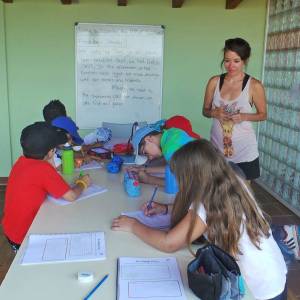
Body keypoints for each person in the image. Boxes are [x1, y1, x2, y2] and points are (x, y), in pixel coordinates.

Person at [112, 139, 287, 300]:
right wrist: (166, 208)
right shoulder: (232, 181)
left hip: (257, 291)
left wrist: (134, 225)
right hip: (274, 275)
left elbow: (169, 244)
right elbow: (205, 214)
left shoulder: (206, 202)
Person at [1, 122, 91, 251]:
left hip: (11, 229)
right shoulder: (43, 169)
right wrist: (83, 183)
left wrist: (49, 161)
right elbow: (71, 196)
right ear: (50, 152)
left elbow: (50, 180)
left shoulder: (21, 162)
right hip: (24, 237)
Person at [202, 38, 267, 181]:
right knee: (216, 189)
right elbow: (205, 111)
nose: (230, 66)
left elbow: (263, 115)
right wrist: (214, 112)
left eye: (236, 61)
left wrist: (244, 116)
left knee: (244, 194)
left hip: (245, 151)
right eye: (227, 60)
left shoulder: (254, 85)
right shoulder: (214, 82)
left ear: (245, 60)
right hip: (217, 148)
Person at [130, 125, 194, 186]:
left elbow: (182, 183)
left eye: (145, 153)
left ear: (148, 139)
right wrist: (145, 169)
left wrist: (148, 179)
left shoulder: (169, 150)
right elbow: (172, 167)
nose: (150, 158)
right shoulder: (172, 132)